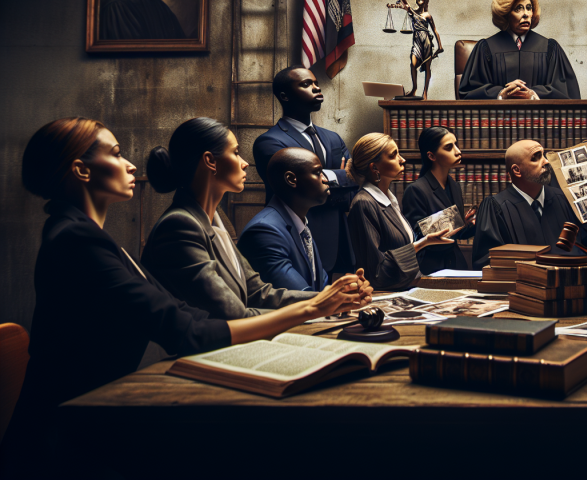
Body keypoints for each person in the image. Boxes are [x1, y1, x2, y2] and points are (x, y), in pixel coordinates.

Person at [1, 118, 371, 476]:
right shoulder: (76, 240)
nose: (129, 164)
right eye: (115, 154)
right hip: (68, 440)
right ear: (82, 171)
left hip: (97, 416)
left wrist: (325, 304)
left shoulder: (87, 235)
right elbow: (186, 330)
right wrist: (312, 307)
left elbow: (185, 314)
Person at [142, 119, 318, 319]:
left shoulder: (217, 223)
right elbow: (234, 315)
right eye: (235, 152)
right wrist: (315, 308)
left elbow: (257, 293)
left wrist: (327, 299)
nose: (244, 163)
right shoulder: (179, 227)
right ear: (210, 161)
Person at [254, 66, 360, 275]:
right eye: (306, 84)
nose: (316, 88)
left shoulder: (333, 138)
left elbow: (355, 181)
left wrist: (332, 179)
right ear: (284, 96)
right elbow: (297, 191)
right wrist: (340, 177)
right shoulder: (269, 142)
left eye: (316, 83)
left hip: (340, 243)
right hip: (297, 243)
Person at [473, 140, 587, 269]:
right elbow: (487, 263)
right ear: (517, 170)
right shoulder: (496, 207)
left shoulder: (562, 199)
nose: (546, 162)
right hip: (521, 293)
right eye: (536, 158)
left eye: (544, 155)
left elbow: (579, 250)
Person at [346, 133, 455, 290]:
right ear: (374, 167)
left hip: (409, 289)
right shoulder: (364, 203)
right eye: (393, 155)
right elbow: (376, 273)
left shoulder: (390, 200)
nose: (402, 160)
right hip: (387, 297)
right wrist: (422, 243)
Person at [457, 0, 581, 100]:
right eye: (518, 9)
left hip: (539, 120)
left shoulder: (550, 48)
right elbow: (468, 92)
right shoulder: (486, 48)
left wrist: (534, 94)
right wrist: (500, 94)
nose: (526, 14)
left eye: (529, 8)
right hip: (498, 120)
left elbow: (566, 92)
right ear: (506, 14)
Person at [238, 148, 334, 292]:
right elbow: (297, 296)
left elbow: (320, 286)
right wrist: (338, 295)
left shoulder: (300, 225)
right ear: (291, 179)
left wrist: (348, 289)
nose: (326, 179)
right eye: (317, 172)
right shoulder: (265, 231)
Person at [401, 127, 477, 275]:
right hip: (431, 268)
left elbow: (456, 234)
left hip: (456, 264)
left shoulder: (453, 185)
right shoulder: (416, 190)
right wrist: (456, 223)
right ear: (431, 156)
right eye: (449, 147)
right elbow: (419, 239)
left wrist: (469, 225)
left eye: (456, 144)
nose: (458, 151)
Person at [390, 0, 443, 98]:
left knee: (427, 67)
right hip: (417, 40)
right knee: (413, 64)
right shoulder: (412, 12)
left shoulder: (428, 16)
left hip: (426, 41)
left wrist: (440, 46)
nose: (420, 1)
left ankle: (425, 93)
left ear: (425, 2)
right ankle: (414, 89)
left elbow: (435, 30)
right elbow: (404, 2)